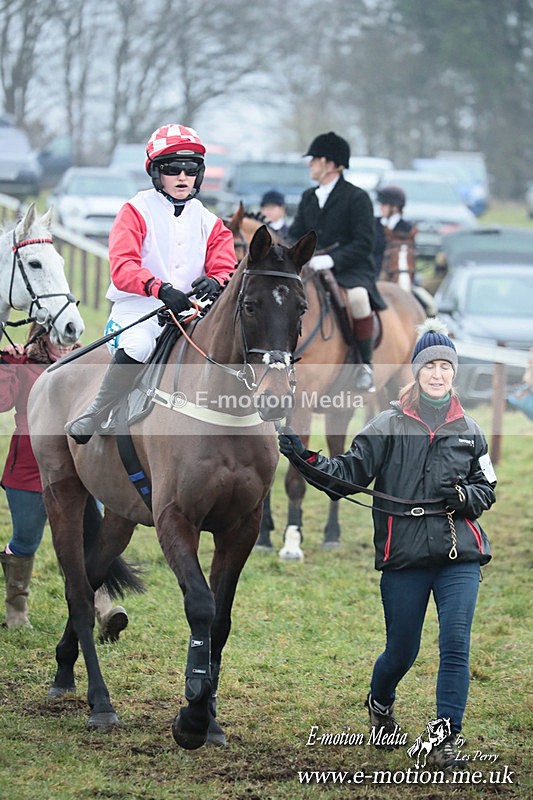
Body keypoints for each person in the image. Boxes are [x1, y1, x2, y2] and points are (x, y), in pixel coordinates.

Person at [278, 318, 496, 770]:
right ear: (416, 372)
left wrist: (465, 497)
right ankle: (380, 703)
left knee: (455, 644)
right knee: (402, 651)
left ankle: (445, 738)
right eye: (430, 366)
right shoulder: (387, 423)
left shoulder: (470, 429)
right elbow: (345, 477)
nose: (438, 374)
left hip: (460, 556)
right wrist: (301, 453)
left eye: (445, 366)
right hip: (405, 558)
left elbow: (487, 489)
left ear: (454, 374)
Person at [66, 123, 237, 444]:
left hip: (191, 313)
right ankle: (98, 411)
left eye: (190, 169)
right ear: (156, 172)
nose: (183, 177)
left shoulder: (210, 221)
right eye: (173, 169)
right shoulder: (134, 211)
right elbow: (123, 267)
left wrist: (217, 281)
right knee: (139, 346)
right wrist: (159, 289)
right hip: (138, 311)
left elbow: (225, 262)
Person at [0, 323, 128, 640]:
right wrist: (5, 365)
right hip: (29, 468)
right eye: (55, 334)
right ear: (41, 335)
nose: (64, 341)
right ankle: (16, 610)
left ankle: (104, 610)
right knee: (26, 541)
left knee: (88, 537)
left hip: (81, 463)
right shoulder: (23, 362)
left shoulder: (88, 362)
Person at [288, 131, 386, 392]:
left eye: (314, 159)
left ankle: (364, 365)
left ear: (330, 163)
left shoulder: (357, 197)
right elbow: (294, 233)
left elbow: (365, 243)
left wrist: (331, 260)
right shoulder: (309, 196)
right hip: (311, 268)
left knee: (357, 300)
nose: (310, 164)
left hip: (350, 270)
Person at [373, 184, 415, 277]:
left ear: (395, 207)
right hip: (374, 274)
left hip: (399, 274)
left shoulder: (407, 229)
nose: (380, 207)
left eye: (384, 205)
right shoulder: (373, 224)